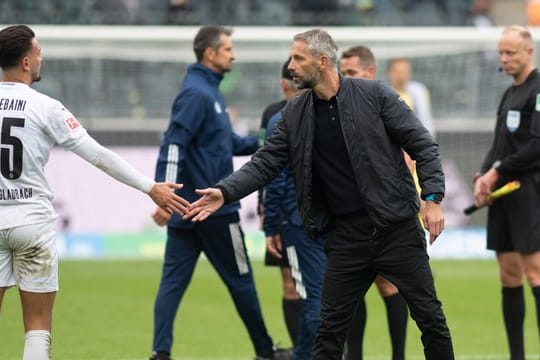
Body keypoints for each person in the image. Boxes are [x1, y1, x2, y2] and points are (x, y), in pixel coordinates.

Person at [185, 28, 455, 360]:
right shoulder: (295, 114)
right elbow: (265, 162)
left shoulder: (376, 96)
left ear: (323, 61)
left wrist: (432, 200)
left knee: (430, 319)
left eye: (298, 57)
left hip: (396, 231)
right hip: (345, 239)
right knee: (328, 333)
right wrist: (225, 192)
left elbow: (424, 146)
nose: (291, 65)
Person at [0, 24, 189, 360]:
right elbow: (99, 156)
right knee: (38, 325)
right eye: (38, 52)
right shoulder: (46, 107)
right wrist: (150, 187)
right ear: (27, 62)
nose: (41, 57)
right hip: (31, 220)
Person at [149, 25, 292, 360]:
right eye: (228, 49)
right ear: (210, 54)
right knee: (242, 280)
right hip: (214, 210)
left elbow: (224, 144)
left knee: (172, 283)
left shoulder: (206, 91)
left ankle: (160, 353)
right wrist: (163, 193)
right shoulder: (198, 94)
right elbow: (173, 143)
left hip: (189, 211)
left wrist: (268, 143)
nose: (233, 54)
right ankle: (265, 351)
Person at [473, 25, 540, 360]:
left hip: (529, 190)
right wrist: (482, 177)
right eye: (502, 52)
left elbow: (537, 146)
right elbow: (499, 143)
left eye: (511, 52)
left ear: (529, 52)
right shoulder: (509, 93)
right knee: (508, 273)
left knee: (535, 271)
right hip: (503, 193)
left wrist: (497, 172)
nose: (504, 58)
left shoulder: (538, 89)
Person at [339, 45, 409, 360]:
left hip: (386, 210)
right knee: (352, 291)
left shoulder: (390, 102)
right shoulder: (337, 104)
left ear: (370, 72)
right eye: (343, 73)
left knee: (389, 283)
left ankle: (398, 355)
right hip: (349, 210)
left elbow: (410, 153)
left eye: (351, 73)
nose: (345, 79)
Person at [263, 58, 326, 360]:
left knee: (312, 296)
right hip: (332, 219)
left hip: (299, 223)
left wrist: (271, 227)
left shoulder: (281, 120)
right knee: (323, 295)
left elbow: (274, 180)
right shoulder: (331, 112)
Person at [257, 62, 300, 347]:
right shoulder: (273, 115)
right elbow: (266, 164)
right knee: (290, 282)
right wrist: (265, 209)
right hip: (283, 213)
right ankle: (301, 350)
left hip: (305, 216)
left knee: (321, 287)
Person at [386, 57, 435, 136]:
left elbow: (425, 118)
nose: (401, 76)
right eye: (398, 72)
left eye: (405, 72)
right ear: (389, 73)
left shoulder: (418, 91)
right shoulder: (383, 93)